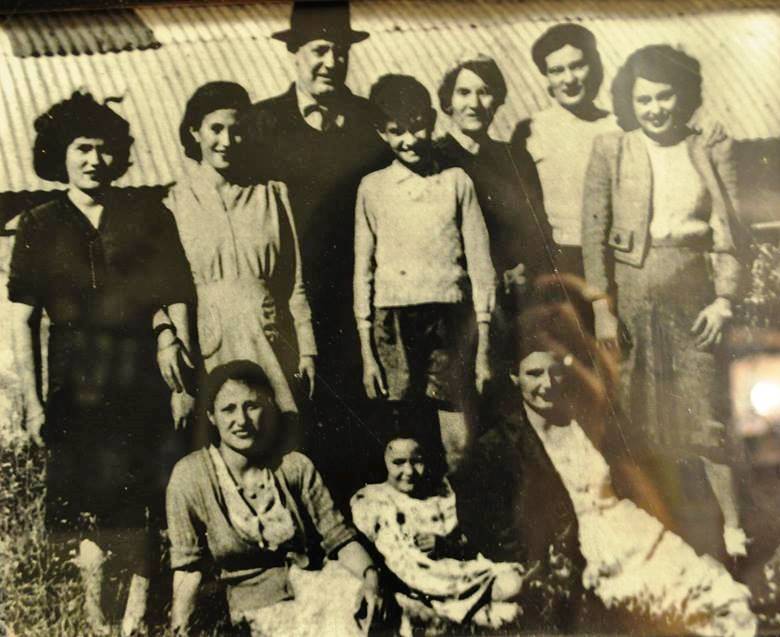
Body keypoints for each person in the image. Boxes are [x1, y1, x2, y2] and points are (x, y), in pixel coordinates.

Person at [7, 91, 195, 636]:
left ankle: (136, 615)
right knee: (85, 499)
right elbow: (22, 322)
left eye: (104, 149)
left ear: (119, 155)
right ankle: (95, 618)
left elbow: (176, 293)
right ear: (59, 155)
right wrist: (34, 401)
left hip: (140, 374)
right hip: (75, 380)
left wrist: (181, 367)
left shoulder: (146, 214)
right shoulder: (38, 225)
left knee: (142, 497)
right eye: (82, 148)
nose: (94, 160)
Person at [582, 44, 749, 559]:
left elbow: (733, 234)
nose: (656, 109)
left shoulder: (710, 147)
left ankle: (735, 532)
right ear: (631, 101)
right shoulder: (613, 148)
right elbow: (594, 236)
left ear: (685, 95)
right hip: (632, 296)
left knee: (705, 410)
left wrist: (723, 300)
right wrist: (602, 309)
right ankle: (655, 527)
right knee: (636, 411)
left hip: (693, 294)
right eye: (644, 99)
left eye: (665, 96)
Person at [243, 0, 391, 502]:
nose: (332, 62)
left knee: (361, 412)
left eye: (341, 50)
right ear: (295, 54)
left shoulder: (371, 120)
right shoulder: (262, 124)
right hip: (292, 300)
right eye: (320, 50)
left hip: (357, 298)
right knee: (298, 414)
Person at [507, 341, 756, 636]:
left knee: (718, 599)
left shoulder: (587, 421)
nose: (547, 384)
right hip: (583, 543)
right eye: (533, 374)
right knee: (651, 609)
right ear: (514, 378)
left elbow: (642, 478)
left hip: (632, 526)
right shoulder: (508, 442)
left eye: (555, 372)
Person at [166, 360, 380, 636]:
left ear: (267, 407)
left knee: (377, 615)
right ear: (211, 416)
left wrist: (370, 578)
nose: (241, 421)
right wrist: (178, 629)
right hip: (258, 610)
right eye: (228, 409)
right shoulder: (191, 476)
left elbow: (339, 537)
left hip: (319, 586)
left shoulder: (294, 466)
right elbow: (187, 569)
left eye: (251, 406)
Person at [354, 74, 496, 473]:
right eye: (396, 131)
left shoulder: (456, 182)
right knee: (404, 436)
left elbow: (481, 267)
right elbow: (362, 270)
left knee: (458, 438)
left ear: (432, 120)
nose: (409, 140)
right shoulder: (372, 188)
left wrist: (483, 346)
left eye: (417, 126)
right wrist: (367, 352)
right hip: (392, 323)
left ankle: (461, 517)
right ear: (381, 132)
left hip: (448, 319)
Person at [161, 81, 316, 418]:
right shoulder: (173, 202)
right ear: (194, 132)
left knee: (280, 434)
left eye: (237, 130)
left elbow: (295, 281)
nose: (227, 142)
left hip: (270, 337)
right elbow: (159, 289)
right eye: (216, 129)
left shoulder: (273, 194)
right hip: (206, 343)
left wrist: (307, 350)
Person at [435, 53, 555, 405]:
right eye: (463, 93)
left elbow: (536, 229)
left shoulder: (514, 158)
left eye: (485, 92)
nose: (474, 103)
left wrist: (521, 269)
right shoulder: (432, 157)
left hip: (508, 300)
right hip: (453, 301)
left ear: (497, 101)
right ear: (448, 101)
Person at [350, 419, 531, 633]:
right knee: (512, 592)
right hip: (412, 581)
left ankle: (467, 612)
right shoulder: (371, 498)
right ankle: (473, 613)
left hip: (454, 573)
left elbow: (465, 542)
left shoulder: (438, 495)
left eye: (416, 461)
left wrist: (444, 544)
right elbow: (370, 547)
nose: (408, 471)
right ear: (384, 460)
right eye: (398, 462)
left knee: (513, 582)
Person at [511, 23, 617, 277]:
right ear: (547, 77)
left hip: (612, 257)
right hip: (555, 260)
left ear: (593, 66)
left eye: (577, 66)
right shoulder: (531, 130)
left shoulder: (618, 126)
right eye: (557, 70)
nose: (569, 79)